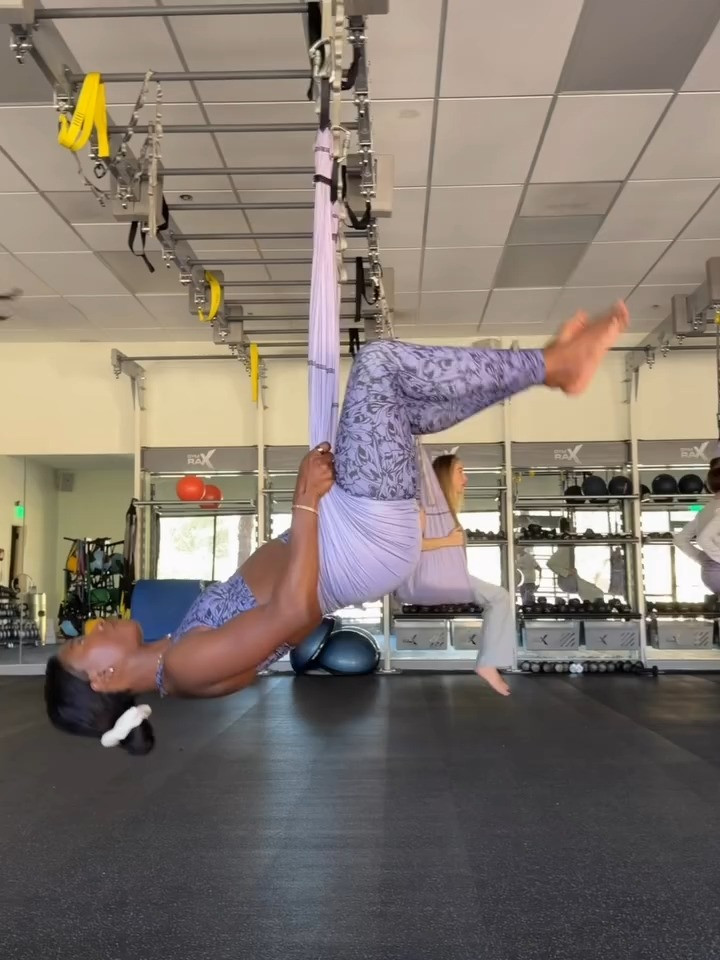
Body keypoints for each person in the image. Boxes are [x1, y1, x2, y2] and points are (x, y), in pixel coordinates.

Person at [46, 302, 629, 753]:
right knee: (378, 364)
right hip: (356, 543)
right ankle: (553, 366)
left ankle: (549, 370)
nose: (92, 625)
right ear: (102, 678)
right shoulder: (185, 667)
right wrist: (305, 504)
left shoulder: (176, 659)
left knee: (401, 403)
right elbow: (292, 617)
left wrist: (309, 519)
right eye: (80, 643)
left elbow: (272, 612)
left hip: (345, 534)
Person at [422, 452, 515, 696]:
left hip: (447, 576)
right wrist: (446, 540)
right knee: (500, 597)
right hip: (428, 578)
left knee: (500, 598)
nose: (466, 477)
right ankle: (487, 663)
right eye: (460, 471)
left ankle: (488, 662)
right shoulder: (426, 506)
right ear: (444, 475)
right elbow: (410, 546)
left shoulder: (444, 510)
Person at [673, 457, 720, 593]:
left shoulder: (704, 511)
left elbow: (679, 539)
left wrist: (703, 558)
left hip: (710, 573)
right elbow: (703, 538)